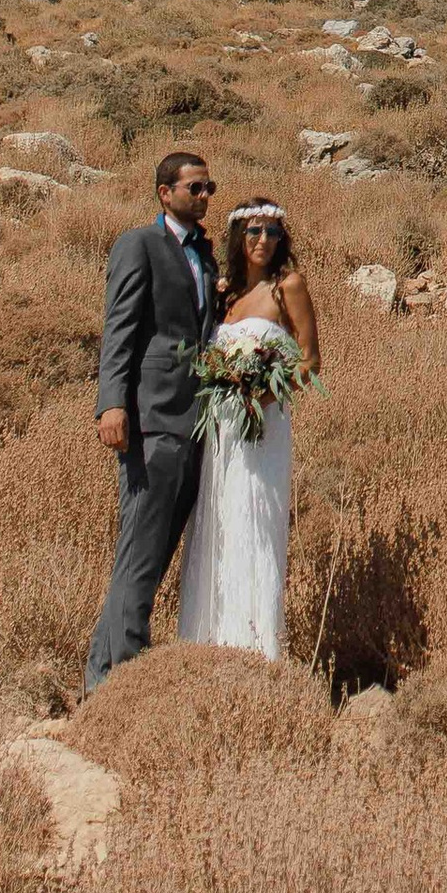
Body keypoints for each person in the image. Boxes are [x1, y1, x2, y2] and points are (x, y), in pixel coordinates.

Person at [83, 147, 220, 691]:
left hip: (197, 423)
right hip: (150, 418)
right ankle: (124, 681)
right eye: (195, 188)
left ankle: (100, 677)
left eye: (209, 187)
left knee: (151, 557)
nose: (204, 196)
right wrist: (111, 403)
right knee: (139, 551)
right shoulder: (138, 244)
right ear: (166, 193)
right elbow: (119, 328)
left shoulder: (205, 257)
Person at [176, 200, 318, 661]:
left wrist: (261, 397)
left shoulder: (288, 287)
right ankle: (209, 645)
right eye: (255, 231)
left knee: (254, 521)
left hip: (261, 428)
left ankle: (255, 650)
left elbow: (309, 360)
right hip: (219, 432)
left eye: (274, 232)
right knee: (216, 522)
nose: (264, 240)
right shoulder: (226, 295)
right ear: (239, 237)